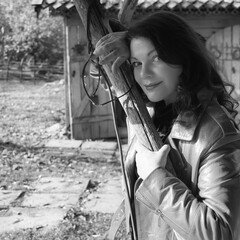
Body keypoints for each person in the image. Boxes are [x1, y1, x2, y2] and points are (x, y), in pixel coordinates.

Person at [93, 11, 240, 240]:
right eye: (136, 63)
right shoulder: (151, 108)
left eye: (157, 58)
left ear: (182, 58)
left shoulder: (216, 134)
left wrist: (155, 177)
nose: (145, 74)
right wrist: (126, 40)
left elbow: (219, 232)